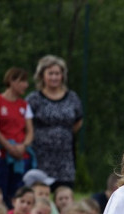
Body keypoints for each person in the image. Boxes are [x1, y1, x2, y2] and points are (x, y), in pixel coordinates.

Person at [26, 55, 82, 189]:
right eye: (50, 73)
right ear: (42, 75)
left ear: (62, 75)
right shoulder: (34, 99)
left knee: (64, 193)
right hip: (40, 157)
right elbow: (26, 123)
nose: (54, 77)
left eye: (57, 73)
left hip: (65, 158)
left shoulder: (72, 97)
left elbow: (79, 120)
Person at [0, 67, 35, 204]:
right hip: (2, 156)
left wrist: (24, 146)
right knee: (1, 190)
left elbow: (30, 131)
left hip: (20, 156)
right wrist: (8, 146)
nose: (26, 85)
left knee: (18, 193)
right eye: (22, 81)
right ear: (11, 81)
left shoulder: (24, 105)